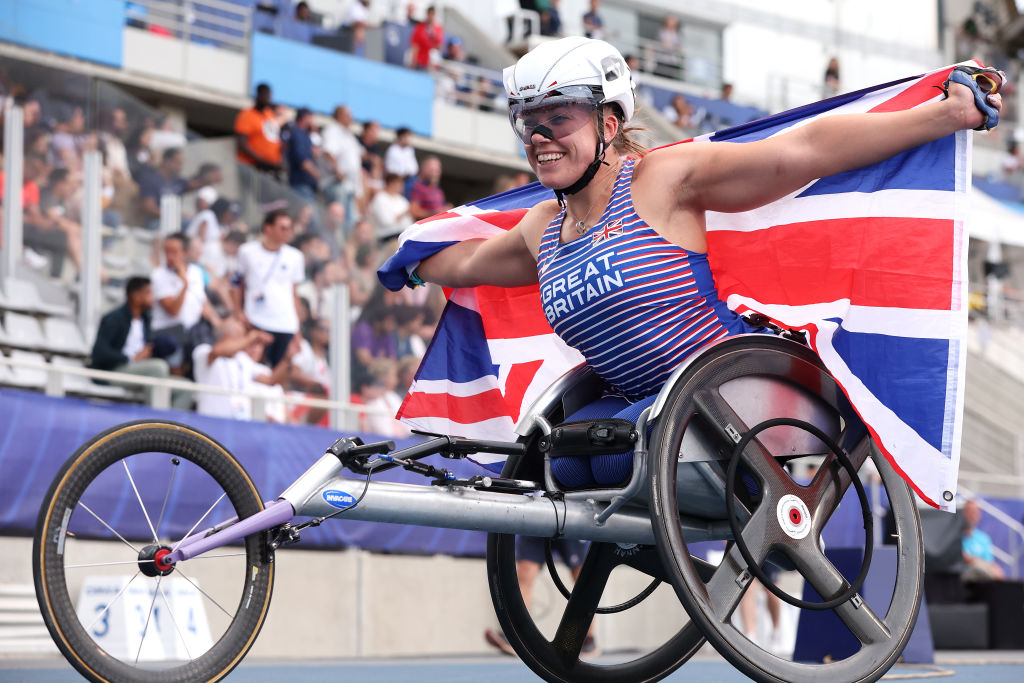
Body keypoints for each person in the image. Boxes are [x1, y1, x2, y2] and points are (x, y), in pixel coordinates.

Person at [404, 36, 1004, 490]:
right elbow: (468, 262)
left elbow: (802, 152)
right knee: (546, 455)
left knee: (599, 447)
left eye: (557, 118)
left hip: (728, 396)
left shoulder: (662, 179)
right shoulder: (542, 229)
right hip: (641, 411)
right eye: (528, 123)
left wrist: (945, 115)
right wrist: (409, 257)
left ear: (609, 123)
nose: (539, 136)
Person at [89, 276, 192, 411]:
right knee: (158, 367)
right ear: (136, 297)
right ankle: (154, 421)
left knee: (186, 388)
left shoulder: (146, 319)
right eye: (149, 293)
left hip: (140, 370)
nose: (153, 298)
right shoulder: (114, 318)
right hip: (114, 371)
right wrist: (131, 358)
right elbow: (99, 352)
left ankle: (170, 429)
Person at [484, 538, 598, 657]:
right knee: (525, 572)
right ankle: (516, 635)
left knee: (582, 576)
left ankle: (587, 639)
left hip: (569, 523)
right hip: (538, 523)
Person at [232, 209, 305, 367]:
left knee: (279, 371)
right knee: (253, 367)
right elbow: (236, 283)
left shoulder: (295, 257)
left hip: (285, 323)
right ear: (268, 228)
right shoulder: (247, 251)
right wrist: (238, 311)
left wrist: (297, 328)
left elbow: (294, 294)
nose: (287, 232)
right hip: (256, 320)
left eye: (289, 228)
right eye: (282, 228)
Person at [192, 318, 295, 421]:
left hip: (239, 424)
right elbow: (217, 351)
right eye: (241, 337)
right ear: (227, 336)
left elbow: (270, 381)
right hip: (211, 421)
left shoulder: (243, 359)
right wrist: (251, 337)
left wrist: (287, 358)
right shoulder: (203, 351)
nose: (245, 342)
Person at [151, 232, 220, 373]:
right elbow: (173, 310)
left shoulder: (196, 272)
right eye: (167, 251)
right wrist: (184, 284)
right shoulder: (159, 275)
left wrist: (219, 322)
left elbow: (202, 301)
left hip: (194, 333)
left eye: (174, 252)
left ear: (185, 253)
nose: (169, 256)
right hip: (169, 335)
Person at [235, 83, 283, 174]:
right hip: (250, 168)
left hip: (269, 171)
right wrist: (262, 161)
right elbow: (241, 144)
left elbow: (274, 140)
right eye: (266, 95)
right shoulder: (247, 115)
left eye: (269, 96)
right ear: (258, 95)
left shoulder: (270, 115)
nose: (268, 99)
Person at [962, 499, 1005, 581]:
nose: (972, 515)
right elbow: (963, 558)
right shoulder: (955, 536)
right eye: (969, 512)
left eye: (975, 512)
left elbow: (989, 562)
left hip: (983, 579)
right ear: (963, 513)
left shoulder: (984, 538)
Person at [285, 107, 320, 199]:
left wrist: (314, 132)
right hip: (300, 184)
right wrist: (317, 175)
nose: (312, 121)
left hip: (306, 185)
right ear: (304, 118)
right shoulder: (297, 134)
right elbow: (303, 161)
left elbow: (316, 153)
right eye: (310, 118)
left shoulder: (305, 135)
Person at [370, 172, 413, 242]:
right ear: (391, 184)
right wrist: (403, 214)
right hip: (386, 237)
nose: (402, 186)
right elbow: (385, 222)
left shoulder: (402, 200)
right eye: (399, 184)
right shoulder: (380, 199)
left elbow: (408, 222)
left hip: (403, 234)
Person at [410, 5, 444, 71]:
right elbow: (415, 45)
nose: (431, 16)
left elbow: (439, 47)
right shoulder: (420, 27)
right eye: (429, 14)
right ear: (427, 14)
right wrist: (413, 61)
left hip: (430, 64)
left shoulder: (438, 29)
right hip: (419, 62)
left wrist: (433, 36)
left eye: (433, 14)